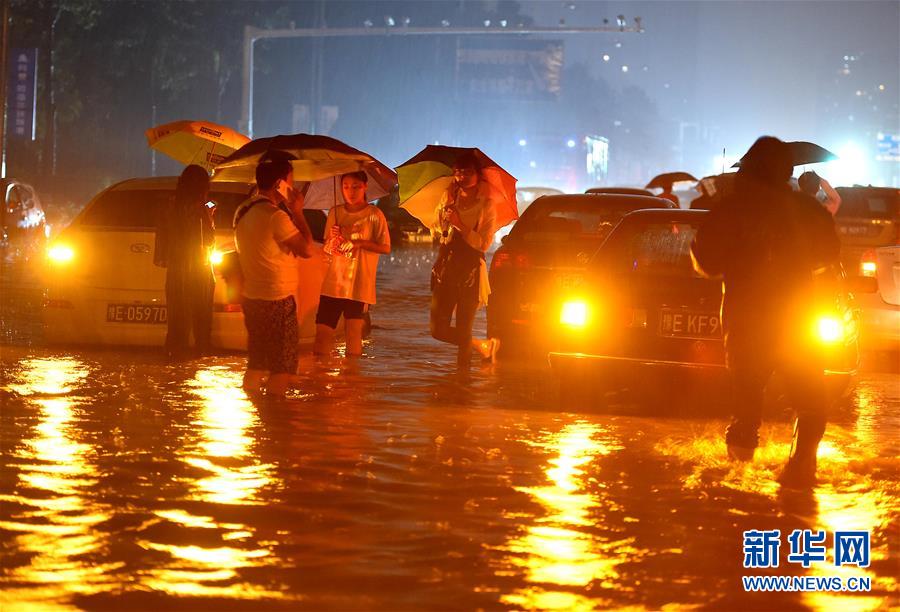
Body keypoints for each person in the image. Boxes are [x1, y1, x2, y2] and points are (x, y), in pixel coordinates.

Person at [690, 136, 841, 488]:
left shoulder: (731, 209)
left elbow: (706, 261)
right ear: (786, 171)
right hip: (797, 320)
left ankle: (738, 485)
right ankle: (802, 467)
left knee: (745, 408)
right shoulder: (808, 210)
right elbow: (828, 254)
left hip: (747, 323)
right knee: (811, 400)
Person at [233, 158, 313, 396]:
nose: (294, 184)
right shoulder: (275, 216)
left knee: (257, 363)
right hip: (277, 300)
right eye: (291, 180)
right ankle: (274, 424)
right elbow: (307, 249)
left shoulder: (242, 210)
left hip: (252, 298)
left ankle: (256, 416)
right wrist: (297, 212)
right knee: (282, 369)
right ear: (280, 184)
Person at [429, 153, 500, 366]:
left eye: (467, 172)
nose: (462, 177)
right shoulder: (448, 198)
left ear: (478, 175)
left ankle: (462, 386)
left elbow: (483, 244)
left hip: (470, 271)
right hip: (446, 267)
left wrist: (460, 224)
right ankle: (482, 345)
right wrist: (444, 217)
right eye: (458, 172)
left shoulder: (486, 205)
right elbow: (436, 232)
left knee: (463, 329)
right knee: (437, 329)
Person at [314, 171, 391, 357]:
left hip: (359, 283)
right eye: (346, 186)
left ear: (365, 187)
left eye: (356, 186)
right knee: (322, 334)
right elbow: (327, 248)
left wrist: (359, 243)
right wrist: (332, 239)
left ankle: (352, 380)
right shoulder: (335, 212)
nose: (350, 191)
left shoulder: (374, 214)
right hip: (334, 283)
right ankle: (320, 380)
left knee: (353, 333)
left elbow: (385, 247)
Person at [154, 164, 215, 360]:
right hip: (199, 269)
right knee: (201, 319)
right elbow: (208, 240)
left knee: (176, 319)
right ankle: (198, 357)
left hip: (176, 269)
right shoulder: (200, 209)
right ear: (202, 186)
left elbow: (163, 235)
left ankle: (173, 357)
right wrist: (210, 218)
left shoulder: (169, 205)